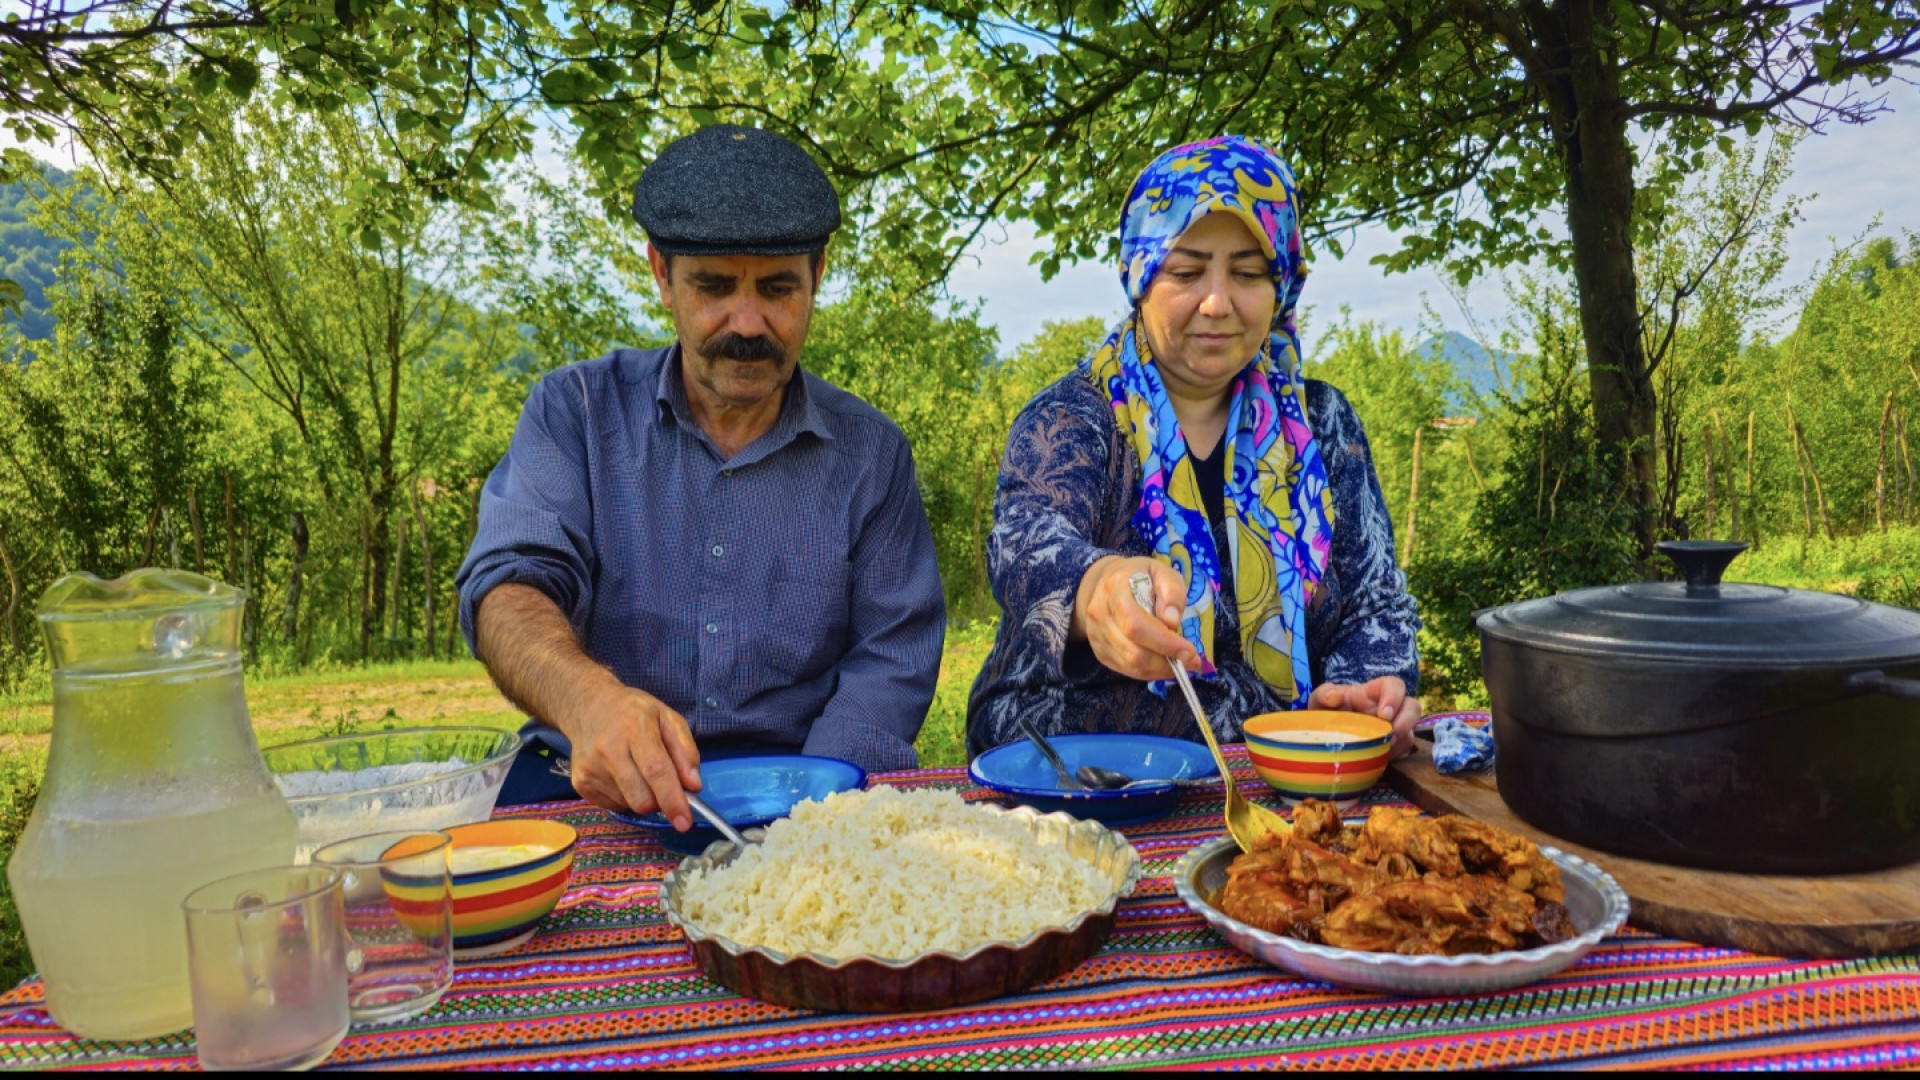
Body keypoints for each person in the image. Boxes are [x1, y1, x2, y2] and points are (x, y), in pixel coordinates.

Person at [456, 124, 947, 831]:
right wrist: (587, 699)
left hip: (800, 786)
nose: (746, 323)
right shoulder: (576, 412)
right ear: (660, 272)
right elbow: (508, 588)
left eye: (778, 288)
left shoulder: (872, 455)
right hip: (586, 780)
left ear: (819, 274)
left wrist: (814, 820)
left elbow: (891, 660)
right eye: (712, 286)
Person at [966, 135, 1421, 761]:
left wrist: (1362, 694)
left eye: (1247, 272)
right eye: (1185, 271)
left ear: (1282, 283)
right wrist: (1098, 586)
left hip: (1284, 778)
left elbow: (1375, 604)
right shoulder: (1076, 416)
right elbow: (1025, 542)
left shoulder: (1324, 424)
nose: (1217, 302)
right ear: (1141, 276)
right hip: (1076, 778)